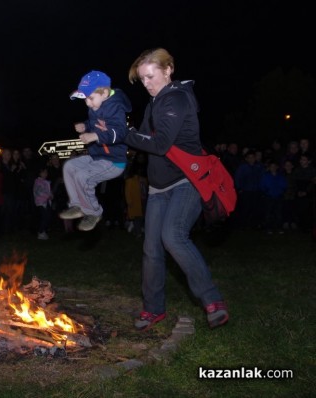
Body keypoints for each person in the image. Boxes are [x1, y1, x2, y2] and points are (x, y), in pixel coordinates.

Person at [122, 48, 229, 330]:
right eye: (142, 79)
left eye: (150, 76)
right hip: (158, 187)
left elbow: (159, 144)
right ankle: (153, 309)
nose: (146, 83)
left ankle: (212, 300)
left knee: (173, 236)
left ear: (168, 70)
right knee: (151, 248)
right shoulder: (153, 104)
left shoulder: (177, 98)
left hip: (186, 182)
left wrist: (124, 133)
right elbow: (140, 139)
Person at [59, 70, 131, 231]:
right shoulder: (96, 106)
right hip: (98, 156)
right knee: (70, 167)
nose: (88, 103)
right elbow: (94, 123)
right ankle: (77, 205)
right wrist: (86, 126)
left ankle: (94, 212)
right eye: (85, 99)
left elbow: (119, 133)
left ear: (105, 93)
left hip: (114, 161)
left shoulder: (114, 108)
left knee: (83, 176)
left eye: (90, 98)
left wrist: (95, 136)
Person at [33, 166, 53, 240]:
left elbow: (48, 191)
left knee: (48, 216)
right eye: (43, 172)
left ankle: (43, 231)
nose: (45, 174)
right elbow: (39, 192)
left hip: (46, 201)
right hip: (41, 202)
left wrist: (51, 195)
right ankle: (41, 232)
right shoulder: (38, 181)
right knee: (45, 217)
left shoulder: (45, 181)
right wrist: (48, 196)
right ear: (40, 173)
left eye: (46, 172)